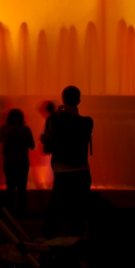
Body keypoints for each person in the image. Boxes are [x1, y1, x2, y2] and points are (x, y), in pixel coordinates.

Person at [41, 86, 94, 237]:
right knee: (78, 214)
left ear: (63, 100)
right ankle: (76, 248)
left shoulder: (53, 120)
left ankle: (45, 247)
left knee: (53, 215)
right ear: (79, 100)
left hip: (62, 173)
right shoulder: (88, 122)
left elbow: (48, 142)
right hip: (83, 173)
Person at [0, 108, 34, 216]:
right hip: (22, 162)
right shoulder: (26, 130)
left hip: (9, 162)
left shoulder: (4, 129)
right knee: (22, 188)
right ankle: (22, 212)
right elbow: (32, 146)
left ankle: (10, 211)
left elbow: (1, 140)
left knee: (10, 187)